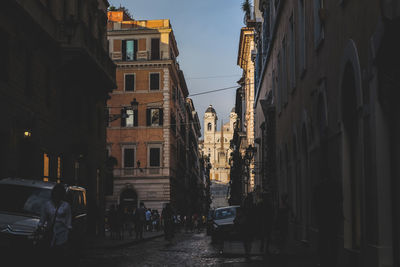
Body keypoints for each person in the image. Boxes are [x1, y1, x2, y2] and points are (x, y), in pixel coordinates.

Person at [38, 183, 72, 266]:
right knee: (50, 253)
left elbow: (68, 220)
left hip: (62, 233)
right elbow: (42, 219)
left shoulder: (66, 206)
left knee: (59, 254)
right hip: (51, 231)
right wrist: (40, 227)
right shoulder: (47, 205)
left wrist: (69, 232)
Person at [313, 176, 343, 267]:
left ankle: (323, 261)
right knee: (334, 240)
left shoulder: (318, 187)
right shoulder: (336, 185)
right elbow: (341, 199)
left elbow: (315, 204)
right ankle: (333, 262)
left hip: (323, 219)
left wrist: (317, 217)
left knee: (323, 240)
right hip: (333, 218)